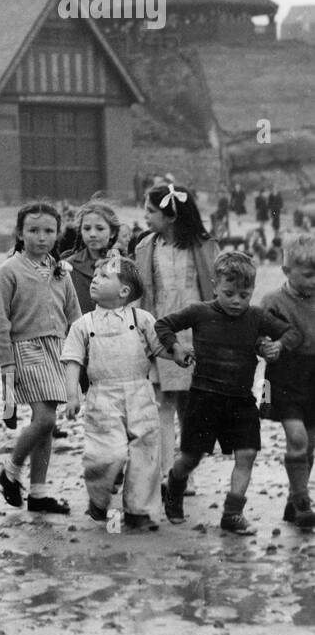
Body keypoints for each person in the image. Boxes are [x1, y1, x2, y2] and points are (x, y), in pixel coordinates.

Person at [158, 252, 298, 534]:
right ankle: (173, 486)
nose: (237, 301)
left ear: (253, 291)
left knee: (247, 454)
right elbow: (163, 324)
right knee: (191, 457)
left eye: (244, 295)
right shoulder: (199, 311)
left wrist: (278, 346)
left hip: (241, 400)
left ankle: (232, 514)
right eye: (229, 293)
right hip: (203, 399)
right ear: (215, 287)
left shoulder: (257, 317)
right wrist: (176, 349)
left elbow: (292, 333)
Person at [62, 256, 164, 532]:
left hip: (140, 391)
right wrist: (72, 395)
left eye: (104, 276)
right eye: (95, 274)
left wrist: (179, 354)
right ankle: (98, 496)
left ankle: (138, 510)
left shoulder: (142, 319)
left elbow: (160, 348)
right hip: (102, 395)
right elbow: (73, 361)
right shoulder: (83, 324)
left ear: (124, 291)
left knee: (145, 451)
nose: (95, 279)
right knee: (107, 454)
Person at [0, 202, 82, 514]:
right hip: (25, 349)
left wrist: (79, 354)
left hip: (57, 349)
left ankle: (38, 492)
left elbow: (74, 315)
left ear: (58, 234)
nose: (41, 237)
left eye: (48, 231)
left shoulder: (61, 271)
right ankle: (11, 470)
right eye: (33, 230)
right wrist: (7, 364)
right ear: (20, 232)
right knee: (44, 419)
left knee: (46, 423)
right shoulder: (9, 271)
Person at [134, 183, 219, 482]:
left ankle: (186, 473)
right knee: (165, 401)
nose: (145, 216)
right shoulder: (145, 247)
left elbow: (217, 290)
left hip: (198, 334)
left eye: (150, 211)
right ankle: (167, 471)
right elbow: (140, 293)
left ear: (170, 216)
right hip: (162, 332)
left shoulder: (205, 246)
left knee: (191, 405)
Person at [259, 233, 315, 529]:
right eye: (308, 274)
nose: (314, 280)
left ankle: (295, 500)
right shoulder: (273, 302)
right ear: (286, 271)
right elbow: (258, 336)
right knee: (296, 437)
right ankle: (303, 500)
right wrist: (266, 346)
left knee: (309, 444)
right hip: (283, 377)